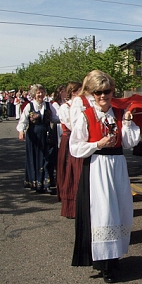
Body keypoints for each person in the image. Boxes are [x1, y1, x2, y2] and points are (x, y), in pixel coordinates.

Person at [70, 70, 140, 283]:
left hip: (117, 165)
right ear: (91, 93)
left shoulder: (118, 114)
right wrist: (96, 144)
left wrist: (127, 122)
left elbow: (129, 143)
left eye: (107, 92)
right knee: (102, 212)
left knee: (118, 209)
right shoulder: (86, 115)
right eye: (98, 93)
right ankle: (103, 264)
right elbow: (75, 147)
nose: (103, 97)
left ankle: (113, 258)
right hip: (96, 166)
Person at [17, 84, 58, 193]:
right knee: (35, 157)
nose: (40, 94)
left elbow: (55, 118)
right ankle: (36, 182)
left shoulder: (49, 105)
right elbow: (23, 120)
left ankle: (47, 183)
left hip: (47, 135)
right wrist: (21, 131)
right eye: (38, 92)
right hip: (34, 136)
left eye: (42, 92)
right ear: (34, 94)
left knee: (48, 158)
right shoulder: (29, 106)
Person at [57, 81, 83, 218]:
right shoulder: (65, 107)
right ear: (74, 92)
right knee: (69, 170)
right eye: (80, 90)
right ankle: (70, 203)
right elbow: (73, 126)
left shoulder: (81, 105)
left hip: (80, 141)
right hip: (69, 140)